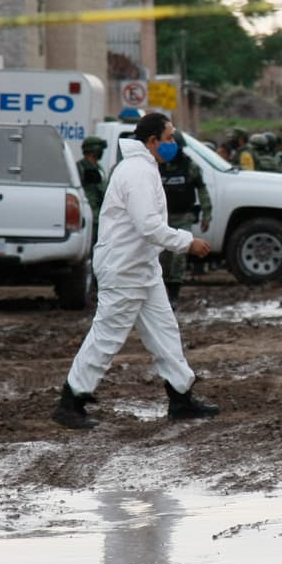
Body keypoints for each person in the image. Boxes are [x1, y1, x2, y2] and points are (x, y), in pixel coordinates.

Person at [54, 113, 219, 429]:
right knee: (107, 336)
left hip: (142, 267)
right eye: (168, 138)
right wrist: (187, 242)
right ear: (153, 140)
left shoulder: (145, 167)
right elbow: (149, 226)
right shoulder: (137, 172)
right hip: (124, 268)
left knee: (165, 332)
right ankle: (71, 402)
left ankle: (181, 397)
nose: (173, 144)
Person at [159, 130, 212, 309]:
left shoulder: (190, 166)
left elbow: (202, 190)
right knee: (163, 256)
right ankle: (162, 293)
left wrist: (207, 214)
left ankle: (174, 294)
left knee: (179, 255)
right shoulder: (156, 165)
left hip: (183, 217)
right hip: (162, 218)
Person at [77, 135, 108, 246]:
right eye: (100, 149)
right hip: (89, 215)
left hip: (100, 216)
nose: (101, 152)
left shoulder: (99, 168)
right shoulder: (80, 167)